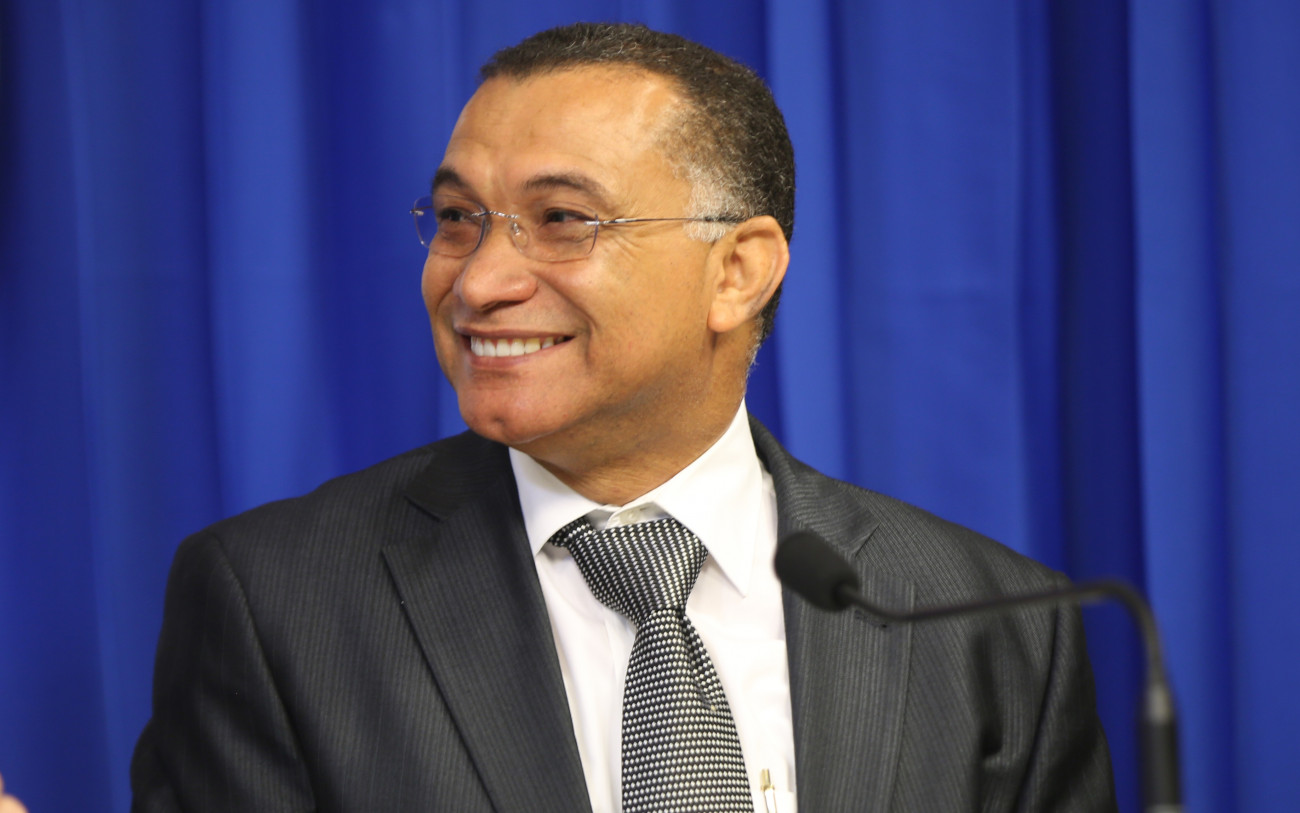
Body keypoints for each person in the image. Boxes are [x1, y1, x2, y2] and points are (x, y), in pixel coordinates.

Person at [131, 22, 1115, 812]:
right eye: (460, 219)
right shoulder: (276, 604)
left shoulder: (990, 621)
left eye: (562, 220)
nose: (479, 281)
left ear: (737, 272)